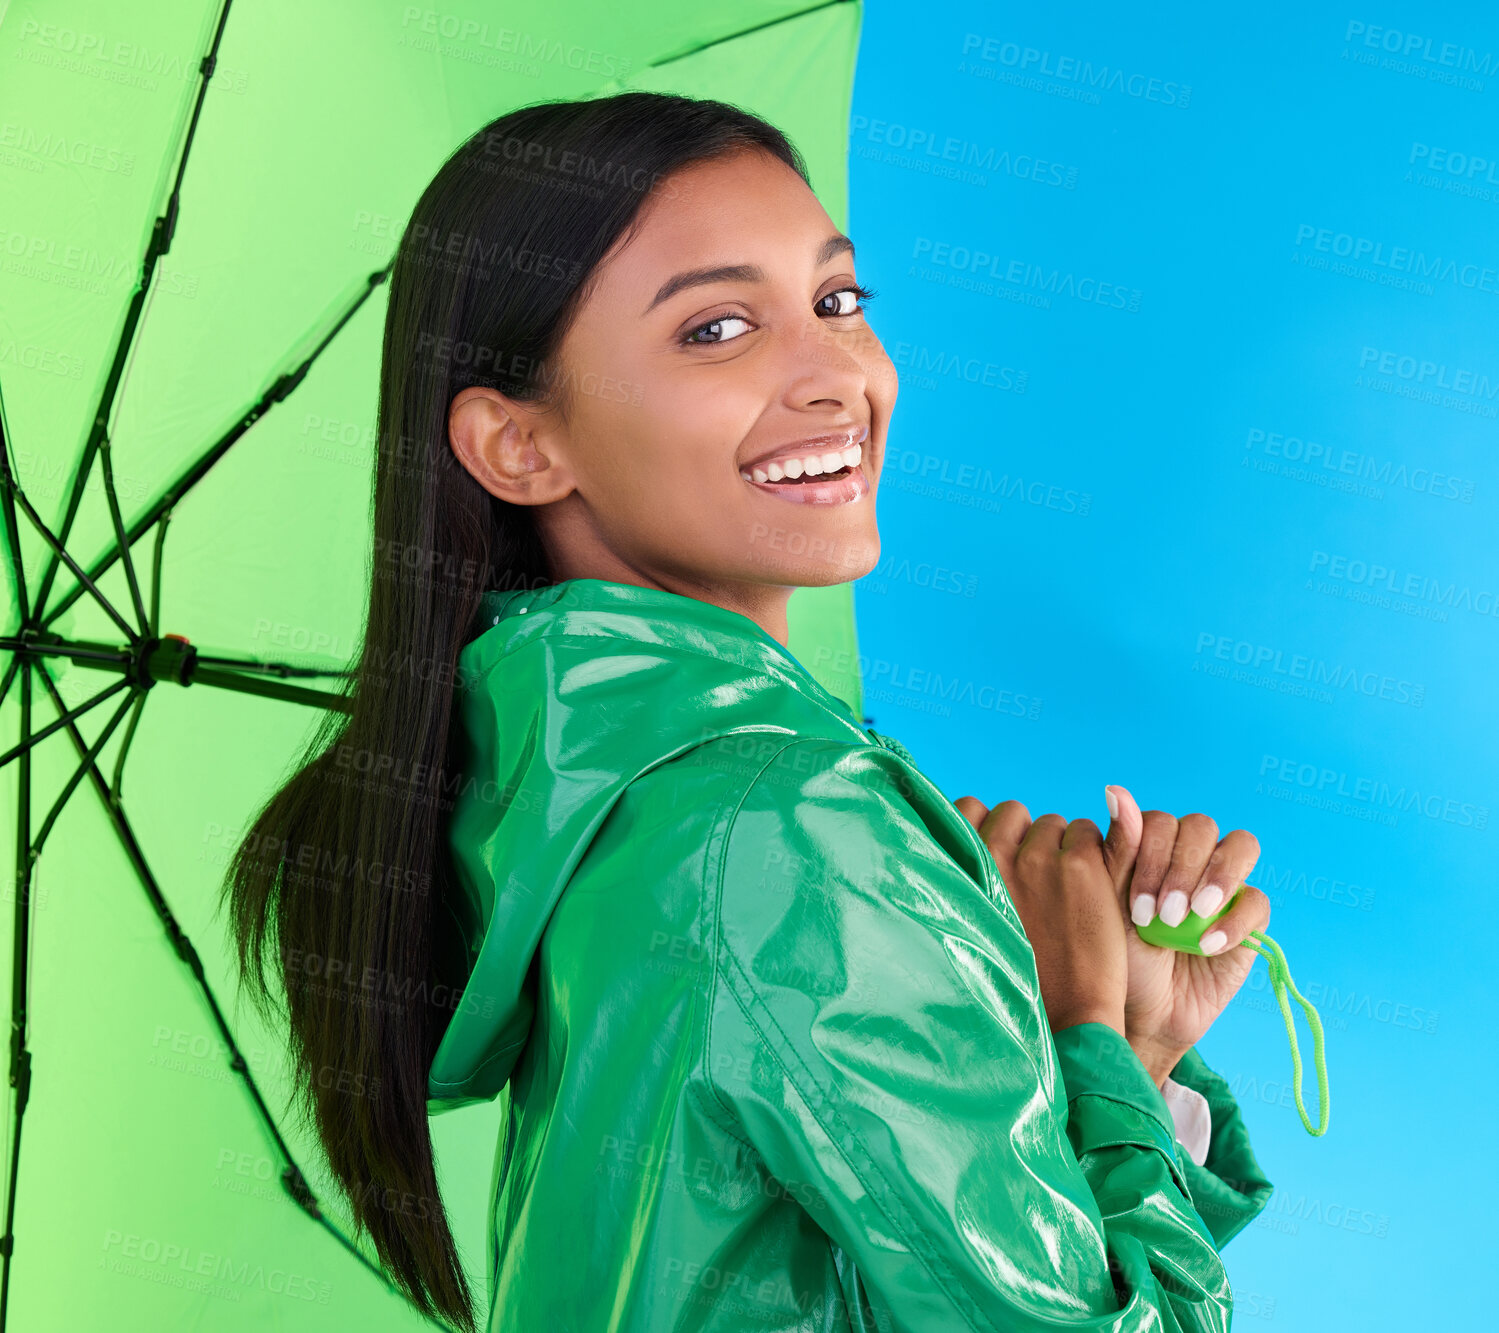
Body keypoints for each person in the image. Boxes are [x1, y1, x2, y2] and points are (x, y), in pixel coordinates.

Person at [220, 91, 1274, 1332]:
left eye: (836, 302)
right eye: (716, 328)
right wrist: (1085, 1034)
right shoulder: (785, 827)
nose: (836, 374)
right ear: (516, 446)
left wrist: (1102, 1055)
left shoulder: (591, 807)